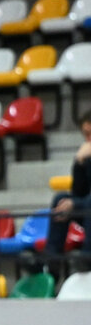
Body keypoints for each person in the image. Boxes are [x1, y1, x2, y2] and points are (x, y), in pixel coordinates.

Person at [45, 110, 91, 267]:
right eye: (85, 135)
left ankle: (87, 258)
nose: (88, 140)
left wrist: (76, 204)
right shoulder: (86, 155)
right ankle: (51, 264)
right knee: (61, 199)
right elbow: (78, 192)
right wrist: (79, 162)